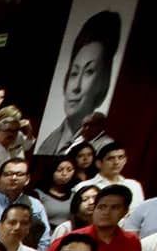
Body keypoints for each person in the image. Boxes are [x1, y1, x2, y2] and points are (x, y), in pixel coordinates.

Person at [37, 11, 122, 156]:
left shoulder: (104, 147)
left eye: (89, 72)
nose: (76, 87)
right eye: (74, 73)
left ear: (103, 83)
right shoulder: (48, 143)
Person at [43, 184, 141, 251]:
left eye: (114, 208)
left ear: (125, 212)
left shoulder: (132, 242)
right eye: (102, 207)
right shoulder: (71, 240)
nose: (106, 212)